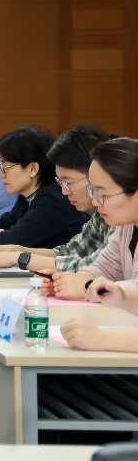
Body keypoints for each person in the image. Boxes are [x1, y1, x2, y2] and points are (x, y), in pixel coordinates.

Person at [0, 125, 112, 275]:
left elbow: (97, 267)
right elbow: (69, 252)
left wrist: (20, 257)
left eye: (68, 182)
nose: (64, 191)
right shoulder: (100, 215)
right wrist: (15, 251)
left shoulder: (120, 218)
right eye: (61, 182)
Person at [53, 138, 138, 352]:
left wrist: (103, 339)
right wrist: (77, 280)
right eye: (93, 192)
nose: (95, 202)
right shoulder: (127, 225)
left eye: (103, 195)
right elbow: (106, 267)